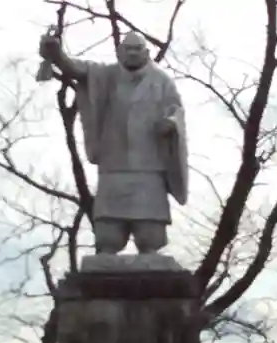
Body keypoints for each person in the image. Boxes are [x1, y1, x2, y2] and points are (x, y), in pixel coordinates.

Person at [38, 29, 189, 254]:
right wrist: (57, 55)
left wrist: (170, 123)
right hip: (113, 167)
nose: (133, 53)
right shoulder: (104, 76)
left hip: (149, 169)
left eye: (138, 49)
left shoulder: (162, 82)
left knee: (150, 237)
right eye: (128, 49)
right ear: (119, 52)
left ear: (147, 53)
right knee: (108, 237)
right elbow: (76, 68)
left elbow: (176, 111)